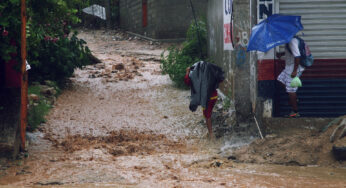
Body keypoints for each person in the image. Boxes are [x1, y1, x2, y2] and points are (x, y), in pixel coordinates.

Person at [184, 61, 224, 138]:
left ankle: (211, 134)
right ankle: (210, 131)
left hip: (206, 99)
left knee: (207, 115)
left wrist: (187, 72)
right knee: (207, 113)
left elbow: (187, 81)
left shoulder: (197, 77)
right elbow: (220, 79)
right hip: (214, 96)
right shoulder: (210, 73)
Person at [276, 36, 305, 118]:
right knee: (280, 79)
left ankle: (295, 112)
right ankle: (293, 97)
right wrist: (281, 54)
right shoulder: (289, 41)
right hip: (288, 67)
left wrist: (295, 71)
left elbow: (297, 56)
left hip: (293, 69)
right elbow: (291, 51)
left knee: (291, 91)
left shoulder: (292, 41)